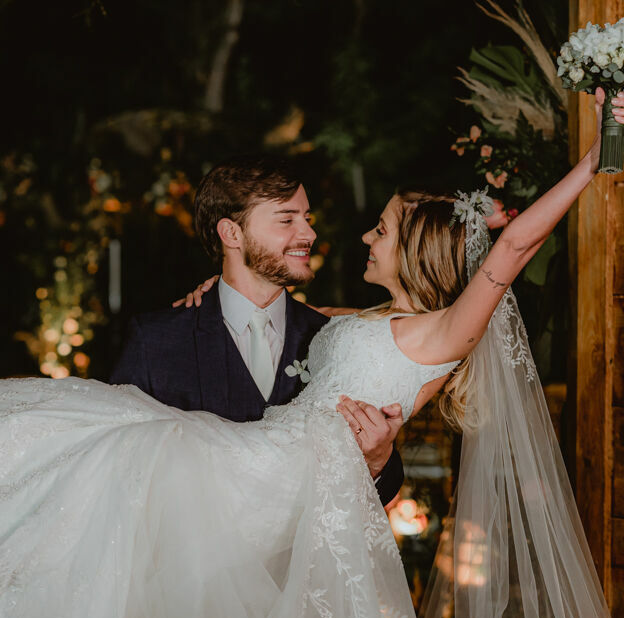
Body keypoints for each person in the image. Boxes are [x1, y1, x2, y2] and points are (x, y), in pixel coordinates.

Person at [0, 88, 624, 618]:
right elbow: (322, 342)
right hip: (251, 481)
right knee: (79, 428)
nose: (358, 235)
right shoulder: (355, 322)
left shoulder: (439, 335)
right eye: (299, 219)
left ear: (422, 252)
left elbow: (509, 248)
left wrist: (595, 158)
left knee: (88, 439)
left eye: (383, 228)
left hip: (273, 486)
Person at [109, 155, 406, 505]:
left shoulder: (334, 337)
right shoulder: (157, 341)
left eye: (307, 218)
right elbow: (114, 471)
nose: (309, 233)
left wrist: (377, 461)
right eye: (287, 219)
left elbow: (377, 493)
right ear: (232, 233)